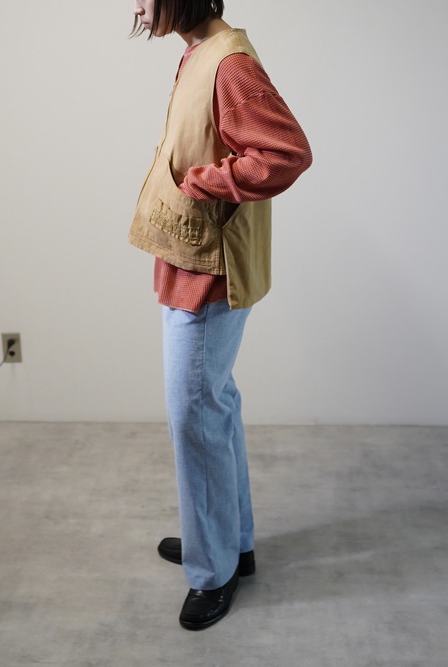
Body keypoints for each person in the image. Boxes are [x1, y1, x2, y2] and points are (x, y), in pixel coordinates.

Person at [129, 0, 312, 630]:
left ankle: (213, 572)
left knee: (195, 413)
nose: (136, 6)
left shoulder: (228, 63)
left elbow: (285, 152)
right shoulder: (200, 52)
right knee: (214, 404)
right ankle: (230, 541)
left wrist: (207, 182)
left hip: (210, 270)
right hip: (193, 258)